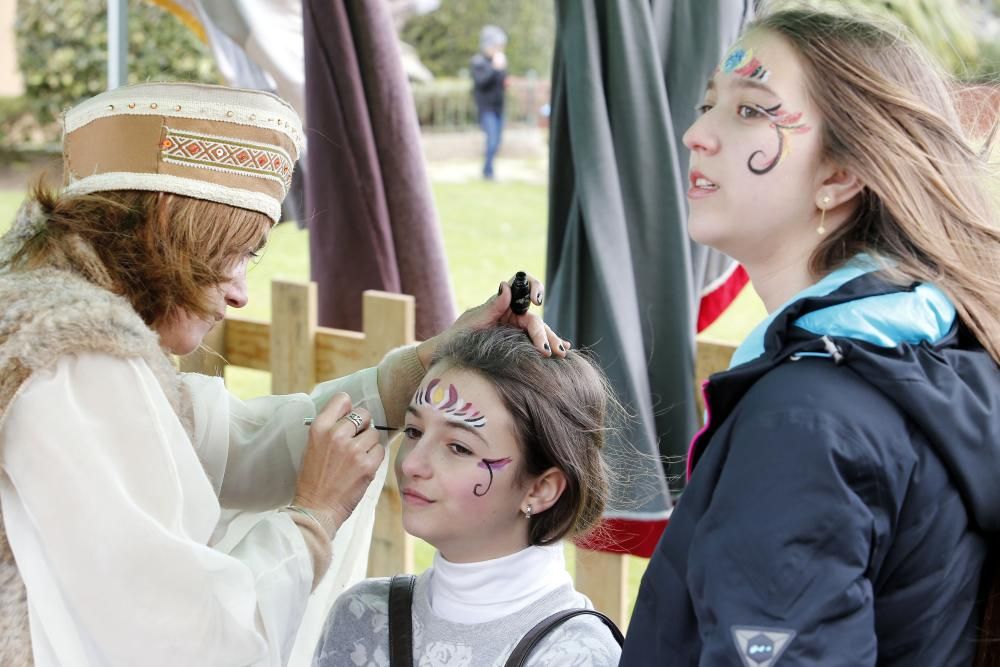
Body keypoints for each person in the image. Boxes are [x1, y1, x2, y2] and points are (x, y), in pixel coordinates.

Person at [0, 82, 567, 666]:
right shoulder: (75, 363)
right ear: (174, 224)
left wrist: (416, 371)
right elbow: (182, 638)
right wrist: (313, 517)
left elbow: (223, 446)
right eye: (239, 251)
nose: (243, 292)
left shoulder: (64, 340)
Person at [620, 8, 1000, 667]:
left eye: (749, 110)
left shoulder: (803, 420)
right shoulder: (933, 358)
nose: (694, 134)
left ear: (839, 176)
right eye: (709, 102)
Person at [312, 326, 624, 666]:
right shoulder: (364, 619)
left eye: (458, 447)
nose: (412, 463)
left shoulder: (576, 657)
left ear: (540, 489)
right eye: (414, 431)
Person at [471, 25, 508, 181]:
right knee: (491, 140)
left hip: (499, 108)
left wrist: (501, 69)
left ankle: (489, 170)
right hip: (486, 108)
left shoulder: (498, 62)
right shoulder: (478, 62)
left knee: (497, 141)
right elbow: (481, 82)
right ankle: (488, 173)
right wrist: (494, 68)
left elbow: (501, 84)